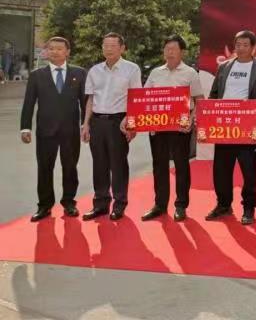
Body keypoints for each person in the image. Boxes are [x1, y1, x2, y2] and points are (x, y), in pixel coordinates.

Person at [205, 30, 256, 226]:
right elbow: (214, 95)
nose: (241, 48)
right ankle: (223, 205)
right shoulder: (224, 67)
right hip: (224, 127)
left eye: (245, 45)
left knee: (249, 172)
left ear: (253, 48)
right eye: (238, 45)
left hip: (248, 127)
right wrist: (208, 116)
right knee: (221, 170)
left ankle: (249, 207)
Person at [20, 37, 87, 222]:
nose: (55, 52)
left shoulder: (79, 73)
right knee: (44, 168)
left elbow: (84, 102)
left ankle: (69, 202)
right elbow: (29, 103)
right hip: (45, 131)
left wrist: (85, 125)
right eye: (51, 49)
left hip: (70, 131)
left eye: (59, 48)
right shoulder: (37, 75)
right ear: (46, 52)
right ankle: (44, 205)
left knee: (70, 167)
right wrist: (25, 127)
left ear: (67, 52)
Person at [139, 36, 204, 222]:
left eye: (173, 49)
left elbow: (199, 100)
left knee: (181, 165)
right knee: (159, 165)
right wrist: (146, 122)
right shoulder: (155, 73)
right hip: (157, 126)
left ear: (182, 52)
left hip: (180, 127)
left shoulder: (190, 73)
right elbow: (144, 98)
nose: (169, 52)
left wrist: (191, 120)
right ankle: (159, 205)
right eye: (167, 49)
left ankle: (181, 205)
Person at [82, 33, 142, 221]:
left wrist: (131, 121)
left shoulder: (131, 69)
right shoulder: (94, 71)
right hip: (97, 122)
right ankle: (100, 204)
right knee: (99, 164)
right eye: (105, 45)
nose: (108, 49)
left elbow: (136, 98)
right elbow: (90, 99)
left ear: (122, 48)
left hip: (119, 122)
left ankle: (119, 204)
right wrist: (86, 124)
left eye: (112, 46)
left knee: (118, 165)